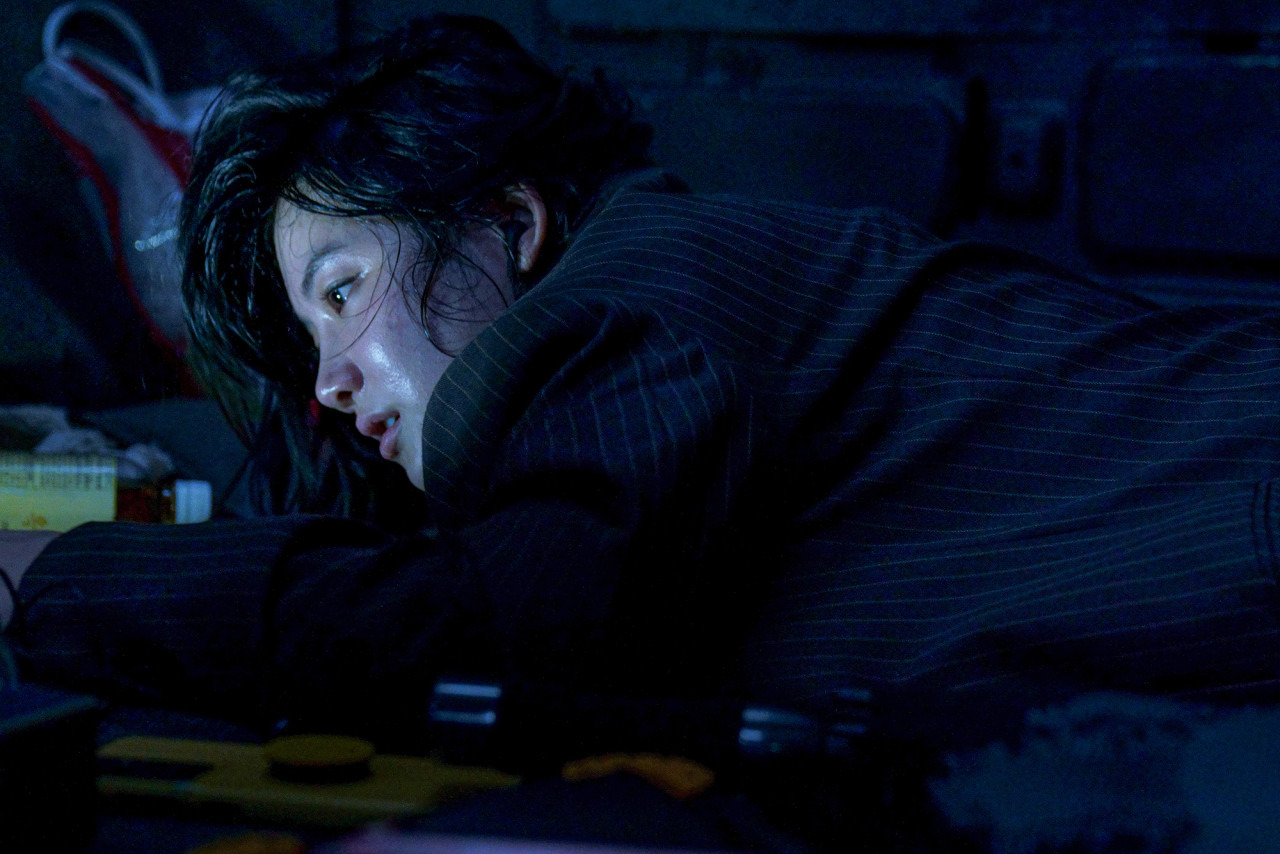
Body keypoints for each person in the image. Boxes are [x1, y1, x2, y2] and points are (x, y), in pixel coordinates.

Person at [4, 13, 1280, 753]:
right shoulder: (622, 350)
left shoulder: (635, 285)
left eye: (342, 289)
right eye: (309, 337)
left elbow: (512, 627)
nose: (330, 379)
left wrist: (50, 572)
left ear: (510, 223)